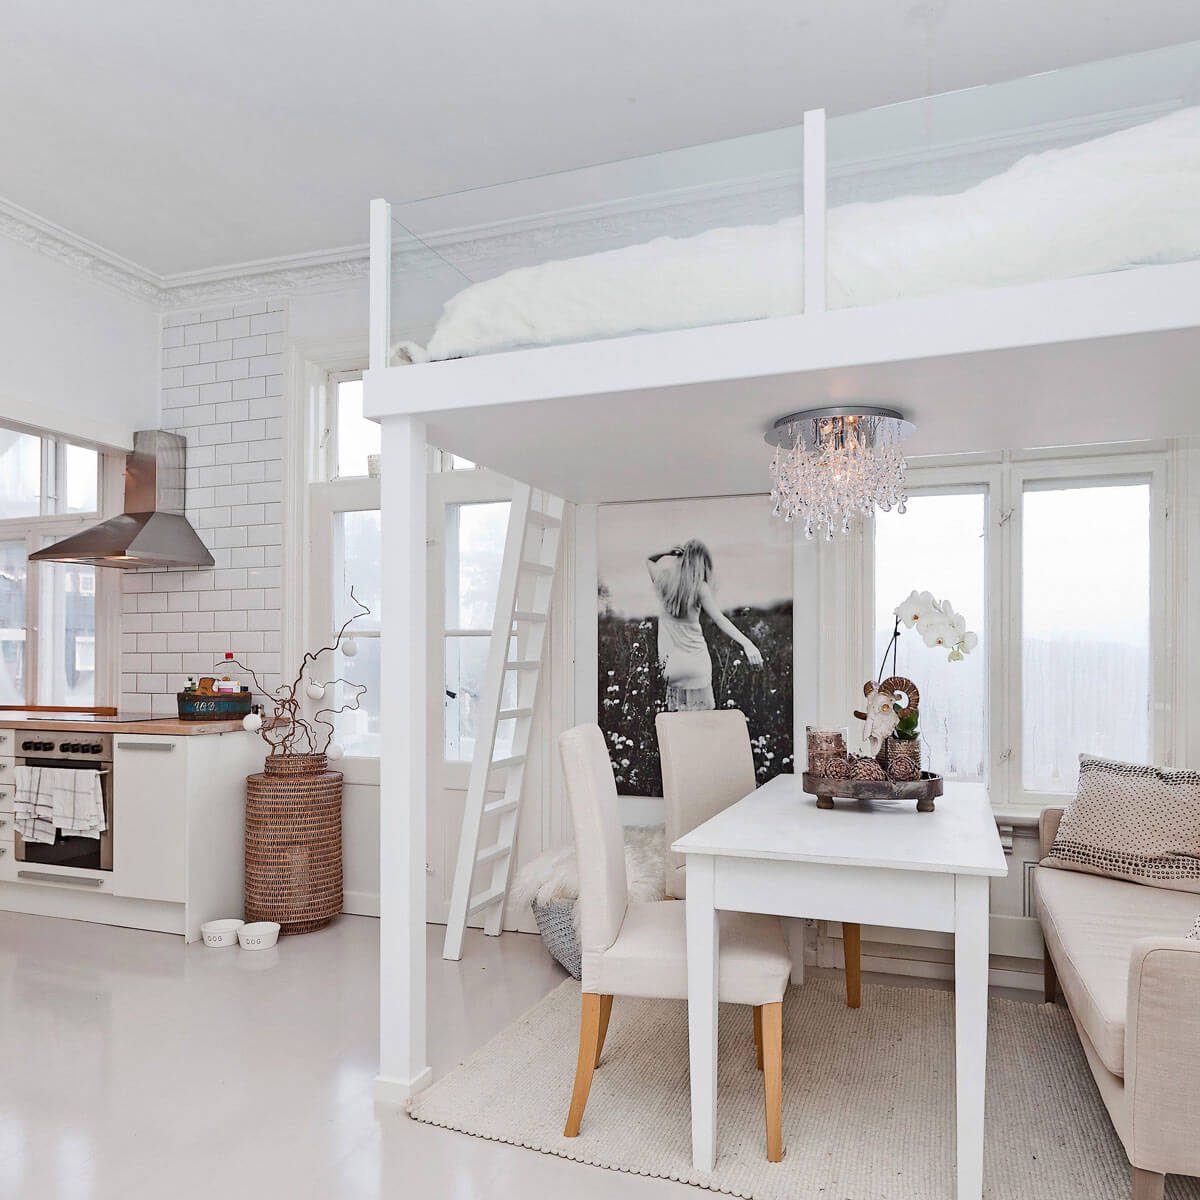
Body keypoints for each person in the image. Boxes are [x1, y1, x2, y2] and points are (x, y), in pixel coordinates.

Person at [646, 538, 763, 712]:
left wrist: (667, 552)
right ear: (701, 562)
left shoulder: (664, 580)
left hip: (671, 667)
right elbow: (719, 619)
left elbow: (649, 560)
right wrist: (748, 643)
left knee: (677, 727)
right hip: (696, 666)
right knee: (703, 725)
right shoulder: (700, 587)